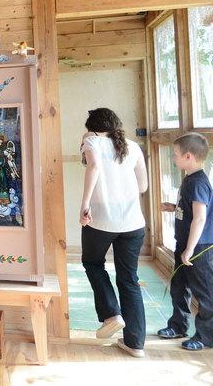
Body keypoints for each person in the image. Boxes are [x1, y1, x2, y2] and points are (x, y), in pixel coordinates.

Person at [79, 108, 148, 357]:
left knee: (92, 263)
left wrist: (85, 205)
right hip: (133, 223)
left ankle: (111, 314)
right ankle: (135, 343)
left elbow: (94, 166)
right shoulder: (133, 146)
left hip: (101, 221)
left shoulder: (91, 141)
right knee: (129, 279)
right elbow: (143, 186)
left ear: (92, 128)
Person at [157, 132, 213, 351]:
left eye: (175, 154)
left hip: (198, 248)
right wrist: (175, 207)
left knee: (204, 292)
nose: (173, 158)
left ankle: (206, 336)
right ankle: (178, 325)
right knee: (179, 287)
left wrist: (189, 249)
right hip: (185, 245)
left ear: (188, 156)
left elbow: (200, 218)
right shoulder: (190, 179)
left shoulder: (198, 182)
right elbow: (191, 210)